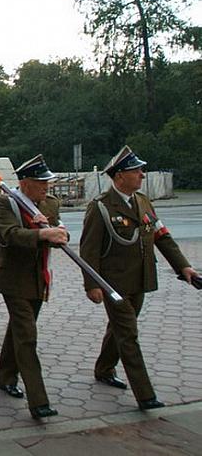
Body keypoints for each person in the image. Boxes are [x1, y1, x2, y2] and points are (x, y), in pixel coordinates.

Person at [80, 146, 199, 410]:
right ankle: (145, 395)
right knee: (128, 334)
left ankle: (104, 369)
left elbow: (162, 236)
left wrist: (184, 267)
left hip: (140, 279)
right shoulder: (100, 207)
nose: (142, 176)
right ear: (120, 176)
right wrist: (92, 285)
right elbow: (88, 250)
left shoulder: (143, 201)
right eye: (137, 171)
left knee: (120, 328)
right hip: (114, 284)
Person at [0, 155, 69, 420]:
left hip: (38, 278)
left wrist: (60, 233)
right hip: (13, 279)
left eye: (47, 182)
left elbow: (58, 230)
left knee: (18, 329)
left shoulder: (50, 203)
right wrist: (42, 234)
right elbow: (9, 235)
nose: (46, 187)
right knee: (27, 335)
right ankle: (38, 400)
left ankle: (5, 375)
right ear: (25, 183)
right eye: (40, 182)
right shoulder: (7, 202)